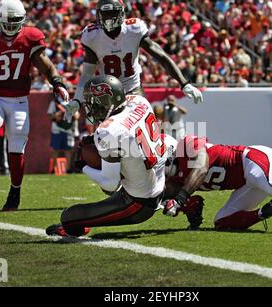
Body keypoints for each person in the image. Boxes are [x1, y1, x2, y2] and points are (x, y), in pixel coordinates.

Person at [46, 75, 177, 237]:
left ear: (104, 103)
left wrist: (82, 165)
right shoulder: (139, 101)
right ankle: (176, 198)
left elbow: (110, 185)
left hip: (139, 203)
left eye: (92, 103)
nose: (90, 108)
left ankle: (81, 224)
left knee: (68, 218)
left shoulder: (109, 130)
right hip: (160, 178)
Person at [0, 0, 70, 211]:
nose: (11, 25)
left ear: (22, 20)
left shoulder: (30, 37)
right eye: (7, 21)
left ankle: (15, 192)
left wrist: (57, 83)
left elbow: (47, 66)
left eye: (15, 21)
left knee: (16, 150)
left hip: (19, 100)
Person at [63, 0, 203, 119]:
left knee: (141, 127)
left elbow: (161, 56)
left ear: (121, 13)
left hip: (133, 88)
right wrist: (76, 100)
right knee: (106, 137)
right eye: (104, 14)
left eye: (112, 13)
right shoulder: (92, 37)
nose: (108, 18)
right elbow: (87, 74)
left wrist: (184, 83)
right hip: (108, 92)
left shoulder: (134, 30)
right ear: (98, 15)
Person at [47, 98, 79, 173]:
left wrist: (69, 113)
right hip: (57, 130)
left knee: (68, 150)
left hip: (69, 130)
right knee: (55, 150)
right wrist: (57, 116)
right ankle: (52, 170)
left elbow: (77, 116)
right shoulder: (55, 102)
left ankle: (68, 170)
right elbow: (50, 116)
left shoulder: (72, 102)